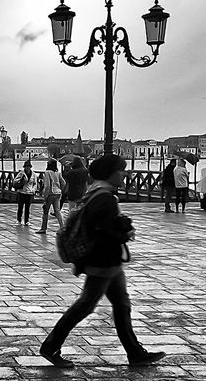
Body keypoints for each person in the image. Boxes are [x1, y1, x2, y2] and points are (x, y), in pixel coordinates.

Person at [39, 154, 166, 368]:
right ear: (111, 173)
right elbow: (102, 231)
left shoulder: (96, 193)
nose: (124, 174)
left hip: (108, 263)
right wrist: (123, 230)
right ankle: (50, 346)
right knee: (86, 305)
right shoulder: (104, 198)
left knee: (121, 304)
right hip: (103, 262)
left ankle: (135, 352)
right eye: (121, 171)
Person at [37, 159, 66, 234]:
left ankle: (43, 228)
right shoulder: (58, 173)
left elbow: (47, 185)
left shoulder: (47, 172)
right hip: (58, 193)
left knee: (46, 211)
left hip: (50, 193)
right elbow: (63, 183)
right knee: (57, 211)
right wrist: (61, 190)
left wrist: (45, 196)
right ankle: (62, 227)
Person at [14, 160, 35, 226]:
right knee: (20, 206)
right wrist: (21, 180)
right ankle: (19, 220)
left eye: (28, 167)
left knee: (27, 207)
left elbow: (35, 183)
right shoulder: (21, 173)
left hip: (29, 192)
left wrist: (33, 190)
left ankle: (27, 221)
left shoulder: (33, 174)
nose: (27, 168)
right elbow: (15, 180)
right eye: (26, 167)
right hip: (22, 192)